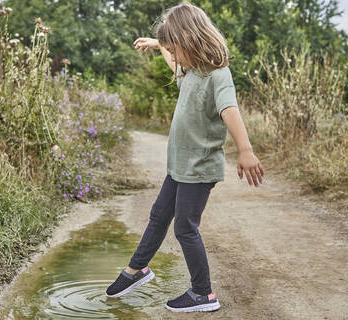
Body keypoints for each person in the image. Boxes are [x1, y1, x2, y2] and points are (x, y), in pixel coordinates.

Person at [105, 2, 264, 313]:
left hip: (199, 169)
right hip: (179, 167)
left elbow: (229, 110)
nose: (174, 58)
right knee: (158, 215)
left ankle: (203, 294)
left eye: (175, 50)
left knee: (185, 228)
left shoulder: (218, 75)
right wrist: (158, 44)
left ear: (191, 40)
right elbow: (174, 65)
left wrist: (245, 150)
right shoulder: (190, 70)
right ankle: (137, 270)